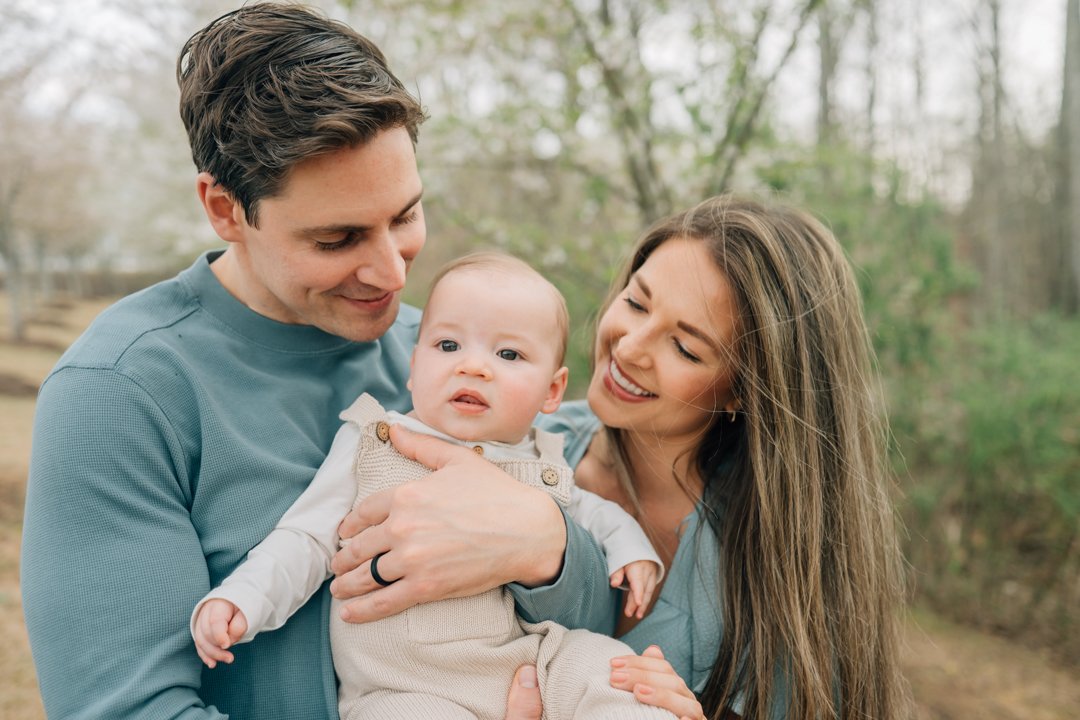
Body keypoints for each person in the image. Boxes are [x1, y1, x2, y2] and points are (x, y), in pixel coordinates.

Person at [20, 5, 606, 719]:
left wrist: (547, 547)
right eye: (338, 239)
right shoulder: (122, 392)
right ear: (225, 210)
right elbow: (129, 709)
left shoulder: (452, 361)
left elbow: (594, 619)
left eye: (405, 215)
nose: (392, 272)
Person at [347, 195, 912, 720]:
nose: (630, 346)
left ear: (745, 390)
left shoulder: (776, 566)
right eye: (636, 303)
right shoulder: (513, 441)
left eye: (685, 347)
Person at [192, 251, 668, 719]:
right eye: (448, 345)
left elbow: (593, 512)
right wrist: (245, 598)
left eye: (508, 354)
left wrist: (629, 548)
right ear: (414, 365)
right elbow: (306, 538)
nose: (473, 367)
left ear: (552, 391)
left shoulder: (541, 461)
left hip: (531, 662)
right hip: (404, 686)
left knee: (613, 671)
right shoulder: (373, 440)